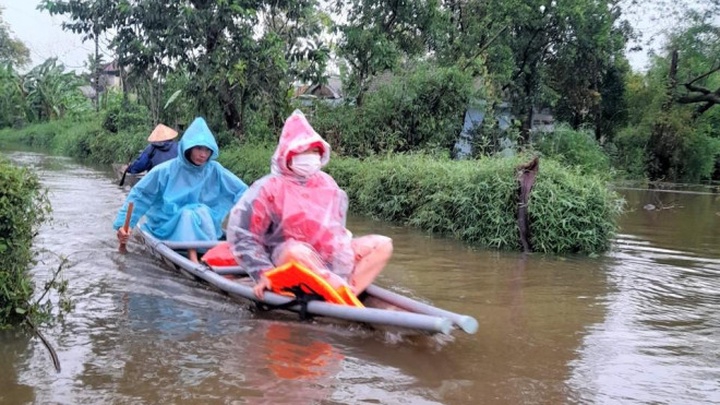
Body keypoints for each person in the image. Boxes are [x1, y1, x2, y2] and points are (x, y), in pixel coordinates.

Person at [226, 110, 393, 299]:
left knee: (382, 245)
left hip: (325, 256)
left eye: (315, 151)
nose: (311, 156)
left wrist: (341, 255)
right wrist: (263, 273)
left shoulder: (327, 183)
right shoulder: (269, 187)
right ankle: (337, 291)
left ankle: (349, 289)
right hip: (286, 255)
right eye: (304, 151)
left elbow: (336, 230)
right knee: (296, 252)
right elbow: (243, 236)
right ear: (288, 154)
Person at [114, 117, 248, 262]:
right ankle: (194, 259)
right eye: (198, 148)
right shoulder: (165, 170)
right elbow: (140, 195)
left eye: (207, 150)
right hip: (168, 225)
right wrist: (123, 225)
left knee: (199, 211)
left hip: (203, 225)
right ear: (188, 147)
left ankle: (210, 253)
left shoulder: (214, 170)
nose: (203, 154)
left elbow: (244, 193)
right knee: (188, 214)